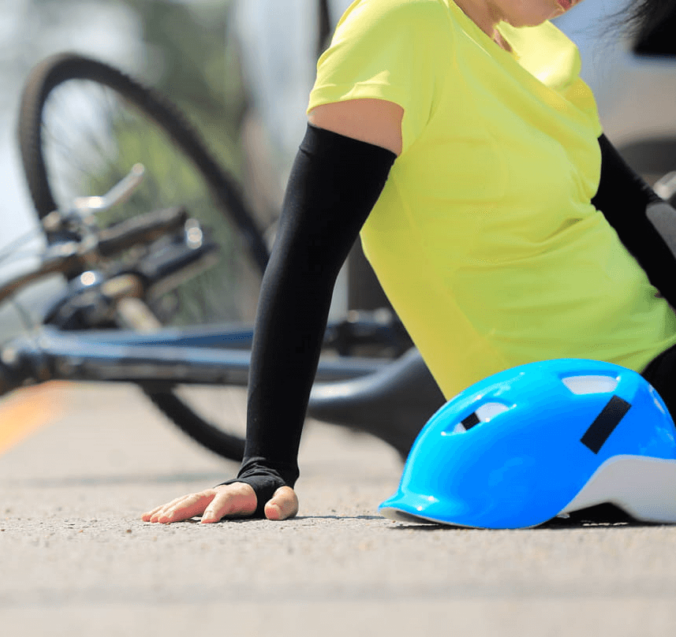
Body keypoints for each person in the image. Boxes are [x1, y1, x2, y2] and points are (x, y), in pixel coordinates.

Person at [143, 0, 676, 525]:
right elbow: (308, 255)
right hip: (598, 405)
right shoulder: (401, 23)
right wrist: (266, 464)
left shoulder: (539, 46)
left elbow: (637, 215)